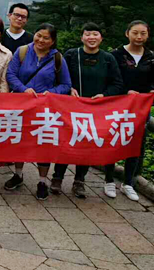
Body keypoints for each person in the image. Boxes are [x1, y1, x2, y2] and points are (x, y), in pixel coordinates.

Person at [52, 23, 123, 198]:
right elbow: (58, 77)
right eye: (88, 34)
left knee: (87, 144)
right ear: (82, 37)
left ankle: (79, 181)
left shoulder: (108, 59)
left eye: (95, 34)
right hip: (70, 107)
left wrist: (104, 95)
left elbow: (117, 84)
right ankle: (57, 178)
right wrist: (68, 89)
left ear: (101, 38)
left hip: (95, 110)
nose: (91, 37)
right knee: (66, 142)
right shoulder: (71, 54)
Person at [5, 23, 72, 200]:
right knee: (20, 140)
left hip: (45, 109)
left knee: (44, 144)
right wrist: (23, 89)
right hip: (22, 105)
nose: (41, 40)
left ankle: (42, 181)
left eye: (46, 38)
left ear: (53, 41)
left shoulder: (57, 58)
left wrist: (51, 92)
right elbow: (11, 74)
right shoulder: (22, 51)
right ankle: (18, 174)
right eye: (38, 35)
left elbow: (66, 85)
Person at [106, 20, 154, 202]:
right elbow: (110, 81)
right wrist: (125, 91)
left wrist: (152, 91)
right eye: (135, 32)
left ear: (148, 35)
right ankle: (108, 180)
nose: (139, 37)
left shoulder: (151, 57)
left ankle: (128, 182)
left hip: (140, 108)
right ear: (127, 33)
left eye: (143, 33)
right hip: (118, 105)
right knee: (113, 140)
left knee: (136, 143)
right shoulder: (116, 55)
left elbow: (150, 81)